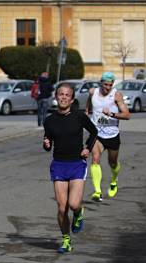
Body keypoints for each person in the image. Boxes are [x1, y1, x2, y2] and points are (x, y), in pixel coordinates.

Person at [43, 83, 98, 253]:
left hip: (76, 164)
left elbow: (94, 132)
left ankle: (79, 212)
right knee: (61, 207)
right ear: (56, 97)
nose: (64, 97)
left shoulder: (79, 116)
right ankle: (66, 240)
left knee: (74, 204)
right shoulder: (50, 120)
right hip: (59, 164)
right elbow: (48, 141)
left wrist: (87, 148)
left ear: (72, 99)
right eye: (61, 94)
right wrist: (46, 144)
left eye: (67, 95)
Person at [86, 72, 131, 201]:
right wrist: (87, 111)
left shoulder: (116, 95)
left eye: (110, 85)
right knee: (95, 158)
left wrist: (111, 114)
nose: (108, 87)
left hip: (112, 135)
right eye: (105, 84)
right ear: (101, 82)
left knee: (112, 163)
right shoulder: (92, 92)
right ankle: (97, 192)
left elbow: (127, 115)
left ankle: (114, 180)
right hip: (97, 133)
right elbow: (89, 103)